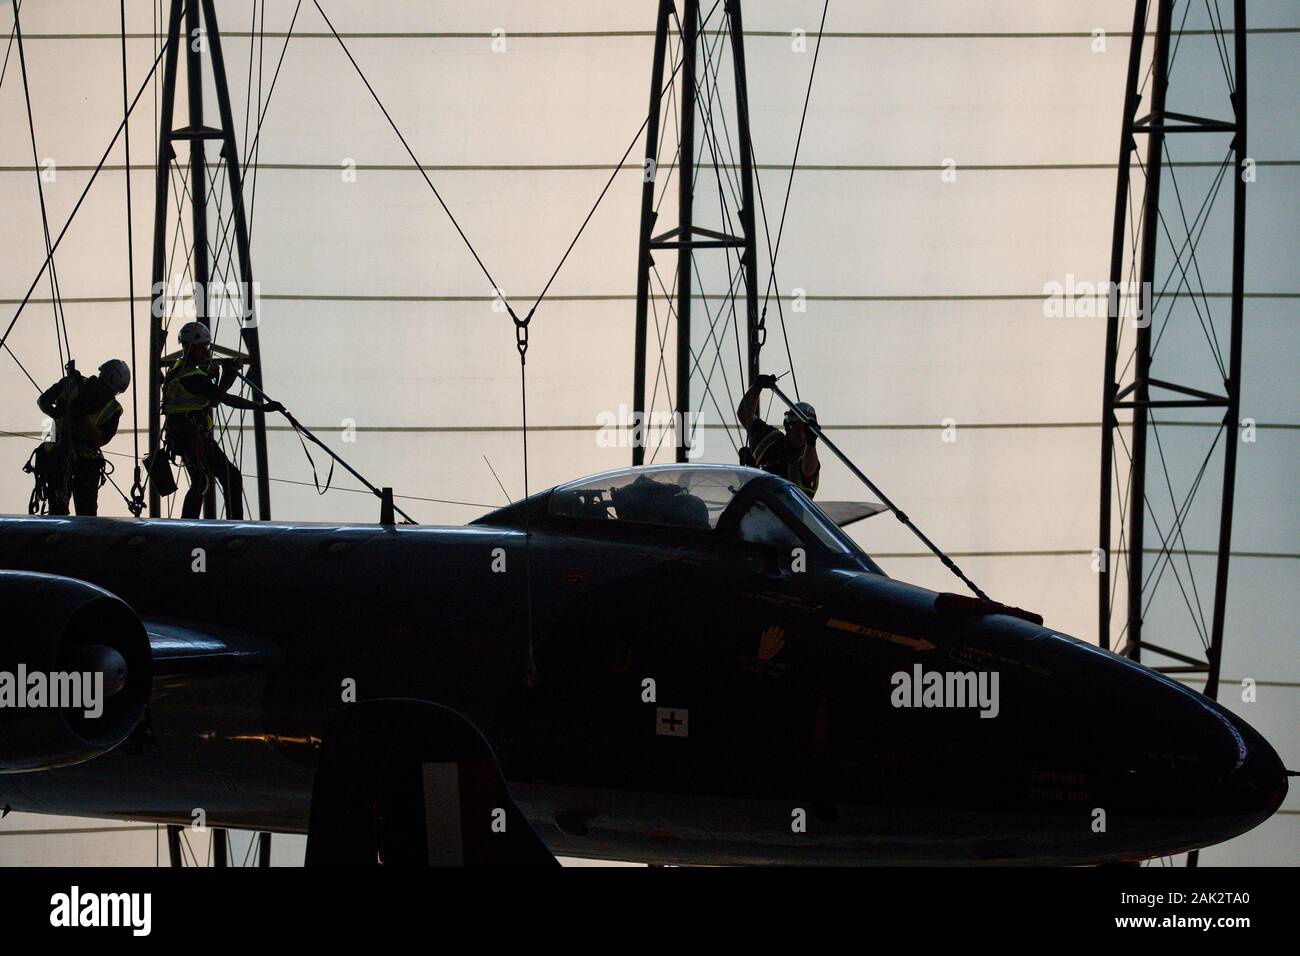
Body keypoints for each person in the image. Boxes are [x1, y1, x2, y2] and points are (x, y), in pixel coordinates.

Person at [162, 322, 282, 519]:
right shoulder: (191, 376)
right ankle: (234, 525)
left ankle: (187, 524)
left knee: (201, 482)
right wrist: (231, 375)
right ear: (193, 348)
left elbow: (214, 396)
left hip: (184, 436)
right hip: (193, 438)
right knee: (231, 478)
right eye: (204, 348)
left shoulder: (177, 371)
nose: (207, 353)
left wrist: (215, 377)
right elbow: (219, 398)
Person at [34, 359, 131, 515]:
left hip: (84, 462)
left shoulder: (113, 408)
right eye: (111, 390)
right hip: (60, 455)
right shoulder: (73, 383)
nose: (110, 394)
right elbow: (43, 402)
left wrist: (81, 418)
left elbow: (100, 439)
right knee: (60, 508)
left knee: (86, 511)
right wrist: (57, 413)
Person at [736, 373, 820, 498]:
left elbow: (808, 471)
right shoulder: (770, 438)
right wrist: (756, 387)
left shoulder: (807, 456)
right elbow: (744, 414)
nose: (802, 434)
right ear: (787, 426)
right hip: (756, 506)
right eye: (797, 428)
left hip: (786, 514)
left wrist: (811, 442)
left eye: (806, 431)